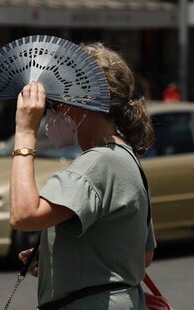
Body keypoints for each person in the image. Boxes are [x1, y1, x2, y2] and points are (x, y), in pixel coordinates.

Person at [10, 42, 156, 309]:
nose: (51, 113)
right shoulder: (125, 158)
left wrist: (25, 132)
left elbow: (23, 214)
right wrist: (65, 258)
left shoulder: (97, 162)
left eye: (54, 103)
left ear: (80, 102)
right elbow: (142, 255)